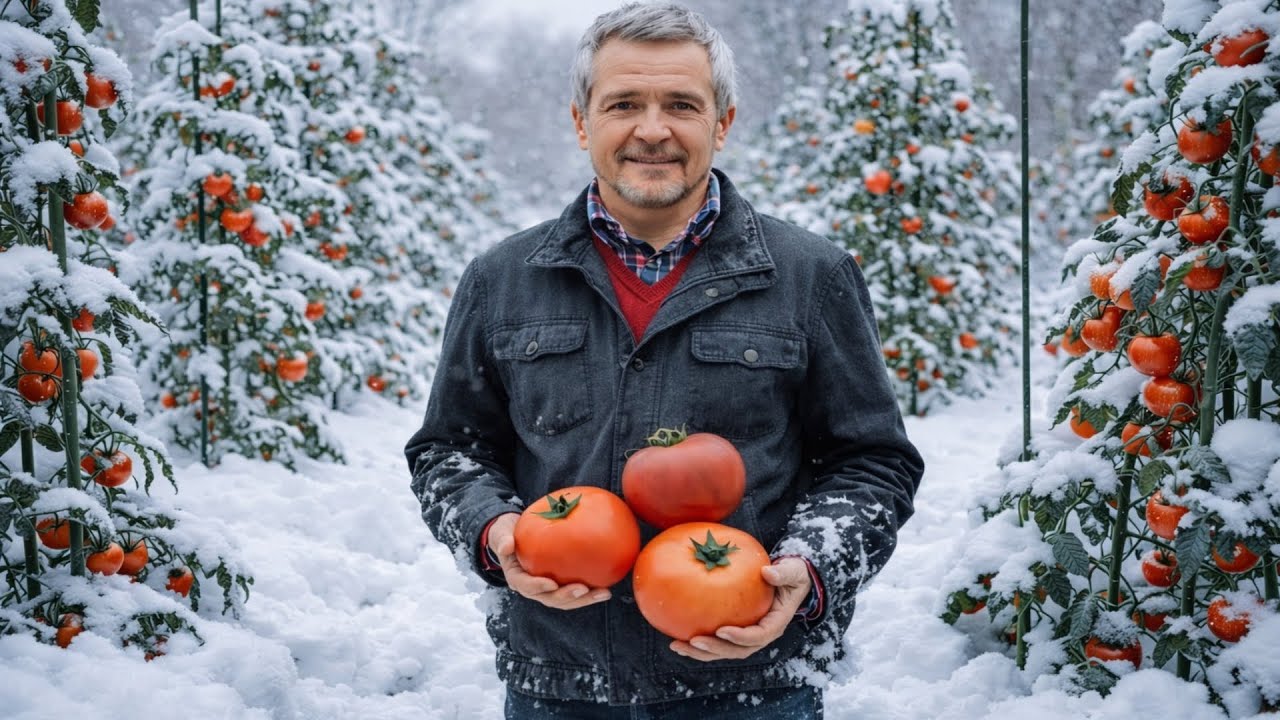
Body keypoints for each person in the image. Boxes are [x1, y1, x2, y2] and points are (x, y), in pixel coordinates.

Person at [404, 3, 924, 717]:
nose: (653, 130)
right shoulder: (503, 280)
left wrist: (809, 567)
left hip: (755, 681)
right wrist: (495, 533)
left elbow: (873, 461)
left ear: (723, 123)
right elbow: (448, 450)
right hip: (561, 680)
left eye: (681, 103)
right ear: (584, 122)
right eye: (624, 104)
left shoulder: (811, 276)